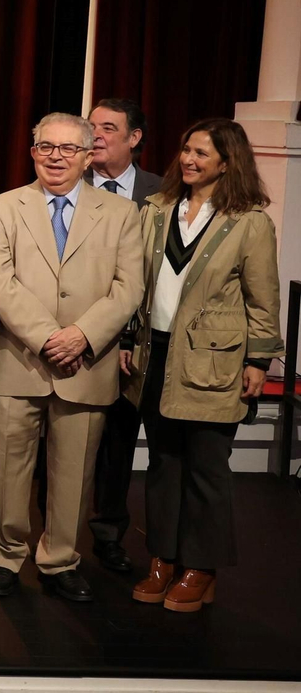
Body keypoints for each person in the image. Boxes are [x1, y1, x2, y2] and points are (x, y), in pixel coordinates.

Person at [0, 113, 143, 603]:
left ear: (89, 154)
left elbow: (128, 287)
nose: (56, 156)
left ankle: (60, 560)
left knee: (75, 474)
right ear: (32, 152)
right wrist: (51, 337)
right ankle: (7, 556)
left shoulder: (120, 214)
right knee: (6, 472)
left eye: (68, 149)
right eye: (45, 147)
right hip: (20, 360)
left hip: (87, 363)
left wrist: (82, 335)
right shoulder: (2, 208)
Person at [125, 118, 282, 613]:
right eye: (186, 149)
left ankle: (202, 567)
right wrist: (131, 337)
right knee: (163, 464)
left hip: (215, 362)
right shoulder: (158, 209)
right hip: (157, 354)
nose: (189, 160)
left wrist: (258, 359)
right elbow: (137, 284)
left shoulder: (249, 221)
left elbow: (263, 298)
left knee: (207, 469)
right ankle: (162, 559)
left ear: (227, 162)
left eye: (201, 154)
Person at [83, 97, 162, 574]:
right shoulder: (65, 181)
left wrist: (129, 338)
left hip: (138, 346)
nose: (95, 135)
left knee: (118, 442)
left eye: (107, 127)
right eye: (90, 125)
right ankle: (56, 534)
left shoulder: (163, 192)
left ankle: (109, 534)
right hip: (74, 338)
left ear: (134, 138)